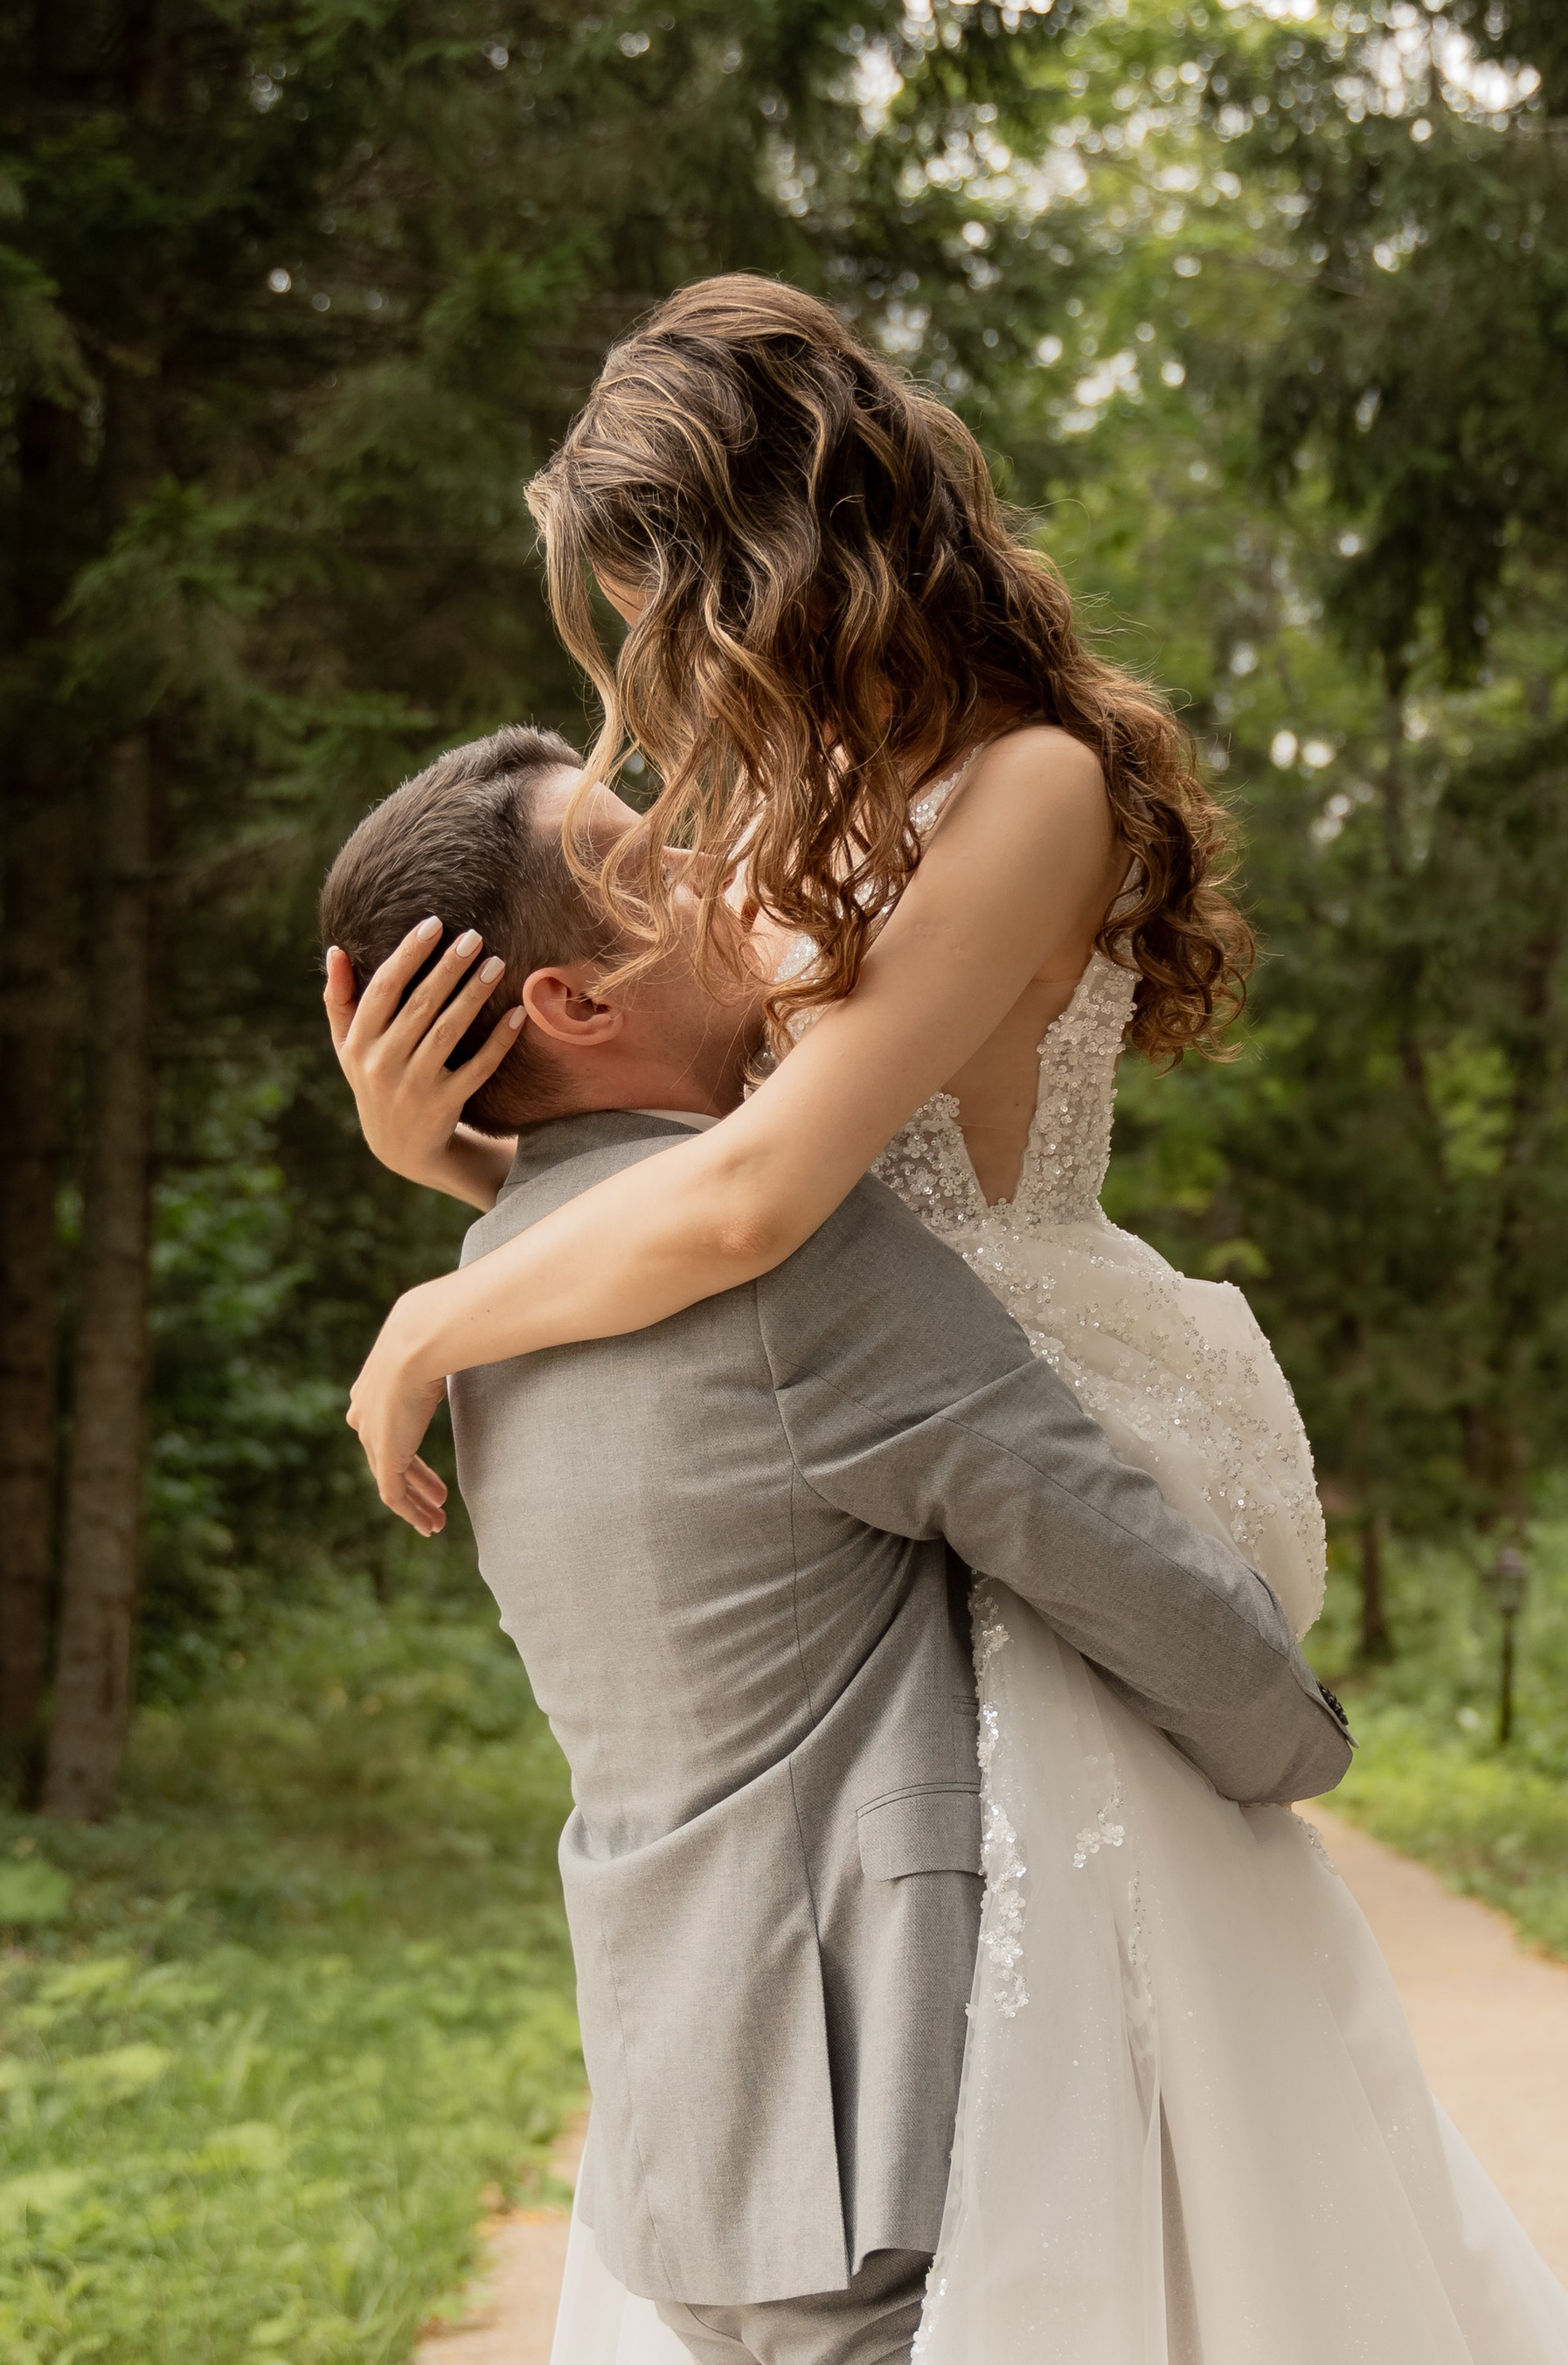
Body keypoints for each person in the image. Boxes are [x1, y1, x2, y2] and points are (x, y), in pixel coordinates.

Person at [327, 274, 1568, 2365]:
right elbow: (711, 1238)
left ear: (758, 561)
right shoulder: (770, 825)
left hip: (1011, 1419)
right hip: (874, 1443)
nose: (649, 682)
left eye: (653, 612)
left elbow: (753, 1201)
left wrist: (428, 1321)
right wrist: (465, 1168)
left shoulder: (1026, 788)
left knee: (1115, 2123)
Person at [319, 725, 1350, 2365]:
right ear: (570, 1004)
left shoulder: (498, 1288)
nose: (712, 866)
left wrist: (444, 1157)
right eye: (649, 864)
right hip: (882, 2121)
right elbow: (1097, 1537)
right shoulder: (794, 1270)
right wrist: (1292, 1744)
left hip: (684, 2129)